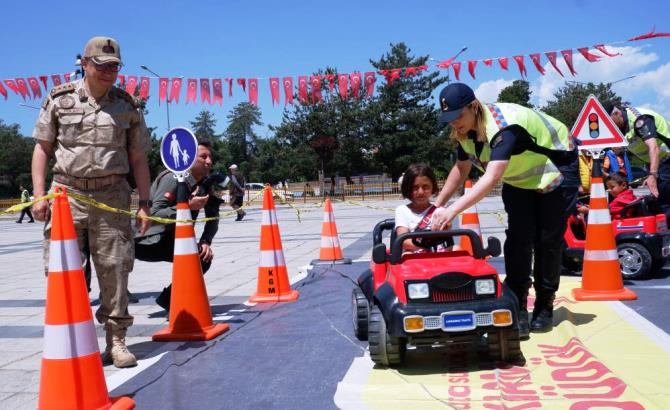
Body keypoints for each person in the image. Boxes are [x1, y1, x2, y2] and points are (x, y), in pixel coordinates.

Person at [31, 36, 152, 368]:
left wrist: (144, 203)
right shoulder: (59, 99)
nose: (109, 72)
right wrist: (40, 195)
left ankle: (117, 341)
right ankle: (74, 340)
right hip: (66, 195)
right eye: (102, 66)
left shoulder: (127, 106)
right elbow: (42, 149)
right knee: (64, 272)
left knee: (116, 270)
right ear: (84, 64)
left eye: (114, 66)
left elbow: (139, 159)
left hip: (112, 196)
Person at [431, 83, 579, 339]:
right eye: (449, 119)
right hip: (520, 178)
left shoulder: (503, 127)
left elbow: (491, 178)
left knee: (547, 241)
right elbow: (461, 168)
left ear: (473, 107)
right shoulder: (465, 132)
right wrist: (439, 204)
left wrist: (453, 211)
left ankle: (544, 305)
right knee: (519, 240)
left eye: (458, 116)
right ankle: (517, 305)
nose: (454, 123)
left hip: (555, 169)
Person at [135, 140, 221, 311]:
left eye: (210, 157)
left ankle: (169, 299)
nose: (209, 162)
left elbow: (213, 217)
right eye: (203, 157)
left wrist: (205, 241)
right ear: (189, 158)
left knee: (203, 257)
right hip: (147, 240)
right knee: (196, 258)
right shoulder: (173, 178)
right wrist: (187, 206)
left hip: (171, 238)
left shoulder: (204, 184)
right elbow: (154, 215)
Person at [603, 102, 670, 218]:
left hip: (667, 159)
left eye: (610, 123)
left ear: (617, 113)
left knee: (664, 202)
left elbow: (653, 147)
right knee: (658, 204)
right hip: (656, 163)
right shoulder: (619, 128)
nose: (610, 128)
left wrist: (653, 175)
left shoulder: (639, 120)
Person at [395, 164, 439, 252]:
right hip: (413, 253)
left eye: (425, 187)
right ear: (407, 188)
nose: (421, 192)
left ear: (432, 187)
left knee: (457, 248)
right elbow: (404, 240)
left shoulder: (439, 210)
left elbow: (446, 238)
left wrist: (447, 226)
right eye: (415, 188)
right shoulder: (402, 210)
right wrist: (425, 247)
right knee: (407, 256)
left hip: (437, 252)